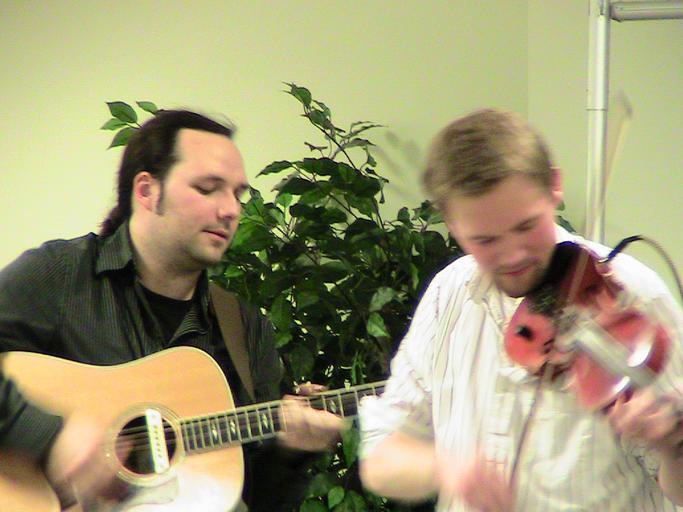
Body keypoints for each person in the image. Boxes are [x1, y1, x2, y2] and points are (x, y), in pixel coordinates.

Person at [0, 110, 341, 511]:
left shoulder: (245, 329)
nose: (231, 210)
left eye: (238, 194)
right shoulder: (58, 276)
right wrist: (52, 439)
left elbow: (252, 499)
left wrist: (291, 453)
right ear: (147, 191)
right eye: (208, 188)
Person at [358, 108, 683, 511]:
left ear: (554, 187)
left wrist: (673, 446)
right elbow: (381, 458)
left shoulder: (631, 299)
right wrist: (447, 469)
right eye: (485, 240)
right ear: (451, 223)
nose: (513, 255)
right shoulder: (448, 294)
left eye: (526, 226)